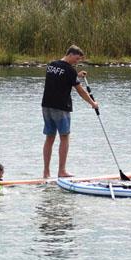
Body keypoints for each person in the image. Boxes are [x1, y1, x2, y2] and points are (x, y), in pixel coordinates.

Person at [41, 45, 98, 178]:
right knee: (64, 138)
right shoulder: (69, 70)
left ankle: (46, 172)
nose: (77, 62)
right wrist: (92, 103)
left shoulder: (51, 65)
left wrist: (76, 76)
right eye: (76, 59)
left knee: (49, 138)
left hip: (46, 106)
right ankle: (62, 171)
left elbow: (60, 79)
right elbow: (81, 91)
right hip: (61, 108)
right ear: (71, 54)